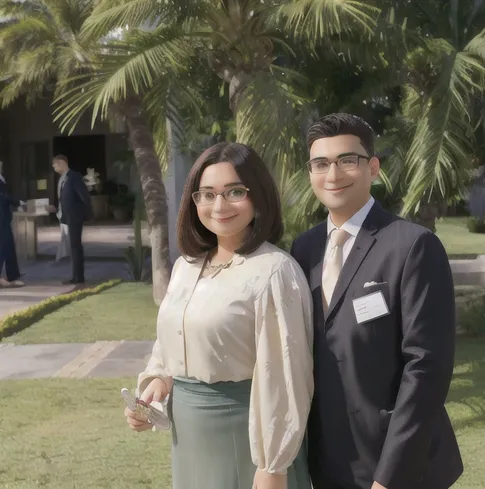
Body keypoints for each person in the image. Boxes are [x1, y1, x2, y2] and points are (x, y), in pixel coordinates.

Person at [290, 113, 464, 489]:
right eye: (320, 164)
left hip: (398, 466)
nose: (332, 175)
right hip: (326, 462)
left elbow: (426, 370)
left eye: (347, 161)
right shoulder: (304, 249)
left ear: (373, 168)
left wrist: (390, 478)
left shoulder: (412, 245)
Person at [126, 142, 314, 489]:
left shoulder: (274, 271)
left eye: (234, 192)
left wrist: (272, 466)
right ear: (193, 201)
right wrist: (158, 381)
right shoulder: (186, 266)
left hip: (246, 439)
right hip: (189, 439)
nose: (219, 205)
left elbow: (286, 375)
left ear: (257, 197)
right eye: (207, 194)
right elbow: (172, 340)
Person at [46, 155, 91, 284]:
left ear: (61, 163)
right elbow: (64, 199)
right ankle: (76, 276)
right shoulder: (62, 179)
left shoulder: (74, 176)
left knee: (76, 246)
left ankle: (79, 278)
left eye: (54, 165)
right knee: (73, 247)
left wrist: (86, 215)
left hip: (75, 217)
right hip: (67, 217)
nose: (54, 168)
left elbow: (84, 196)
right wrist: (56, 209)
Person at [0, 160, 24, 287]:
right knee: (4, 246)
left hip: (4, 218)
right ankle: (11, 276)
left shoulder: (1, 178)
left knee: (8, 246)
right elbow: (3, 197)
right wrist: (18, 202)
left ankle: (13, 276)